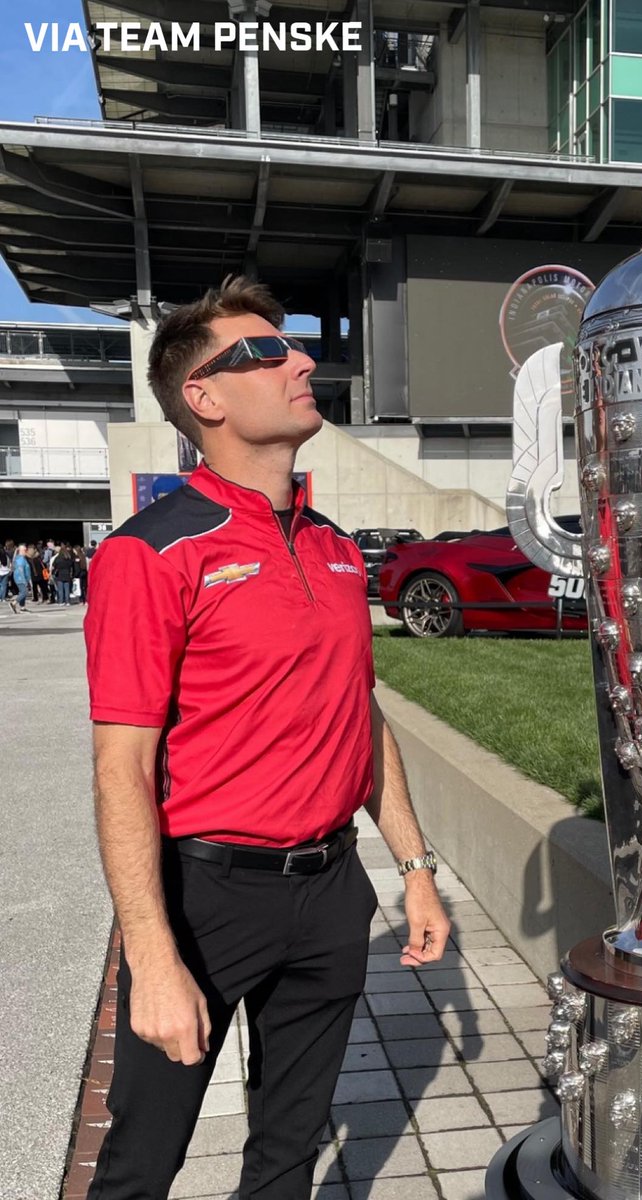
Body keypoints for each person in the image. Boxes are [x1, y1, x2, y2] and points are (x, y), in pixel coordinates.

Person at [83, 276, 450, 1200]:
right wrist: (153, 956)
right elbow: (121, 766)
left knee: (287, 1153)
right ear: (201, 397)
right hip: (206, 899)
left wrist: (412, 870)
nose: (300, 361)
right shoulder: (151, 551)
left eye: (290, 348)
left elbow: (358, 714)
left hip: (329, 894)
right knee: (140, 1163)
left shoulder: (332, 547)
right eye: (263, 353)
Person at [9, 543, 31, 613]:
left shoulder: (22, 558)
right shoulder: (20, 559)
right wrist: (24, 580)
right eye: (25, 550)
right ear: (21, 551)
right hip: (20, 578)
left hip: (22, 578)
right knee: (24, 592)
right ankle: (14, 603)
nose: (26, 551)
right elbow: (20, 570)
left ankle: (22, 607)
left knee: (22, 592)